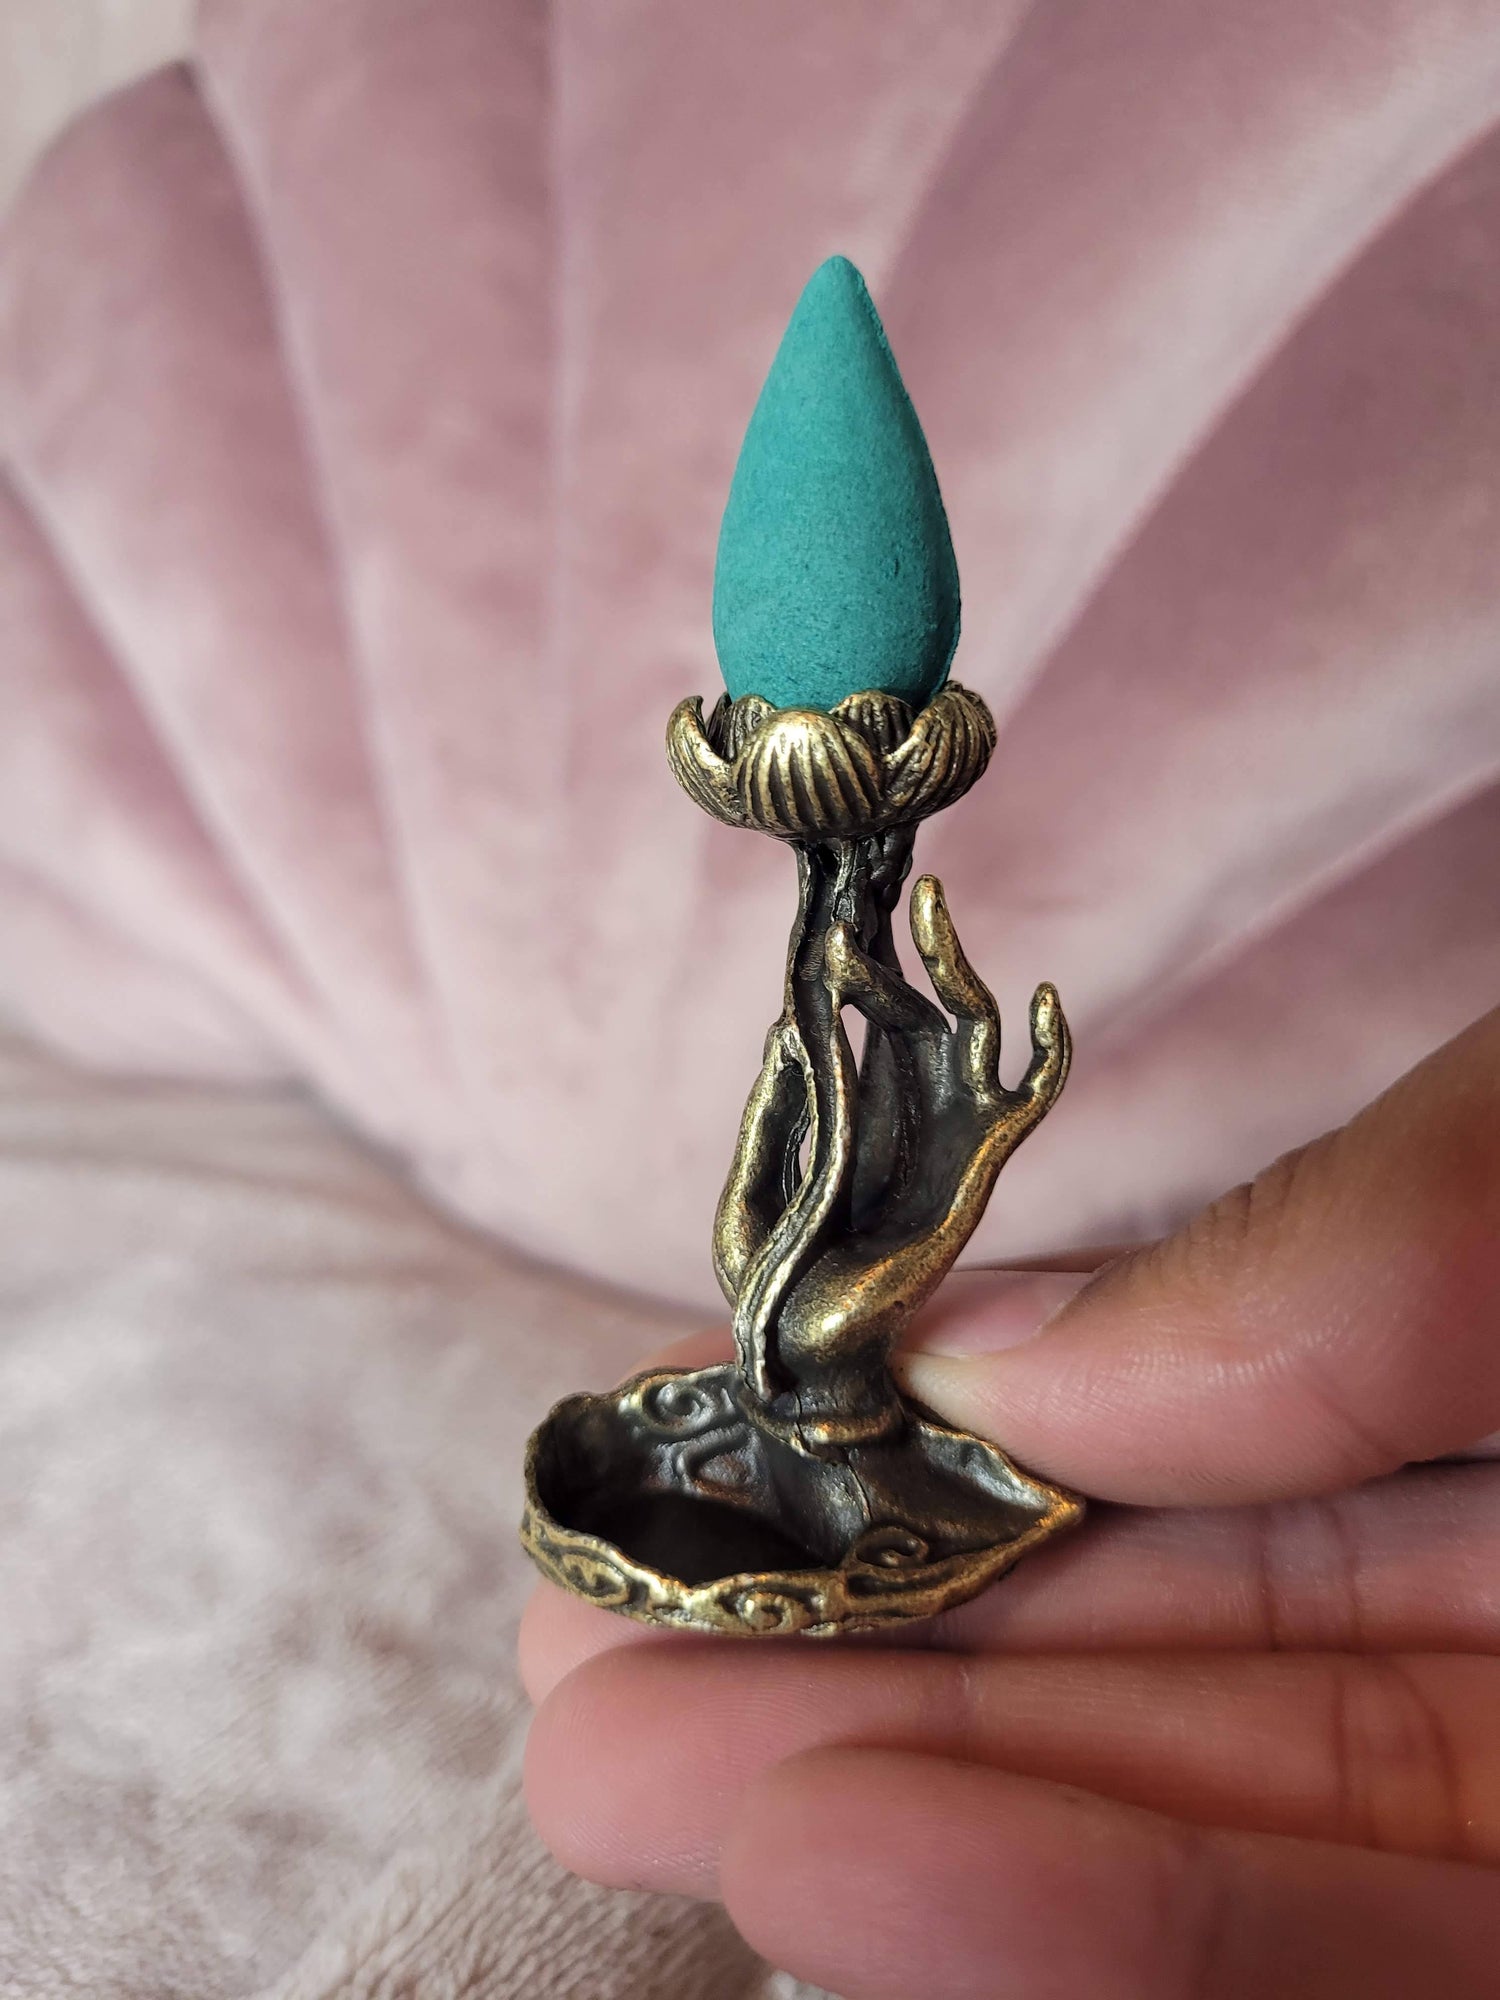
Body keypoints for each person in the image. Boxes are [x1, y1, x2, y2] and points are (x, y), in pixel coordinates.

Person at [523, 1005, 1500, 1998]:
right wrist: (796, 1055)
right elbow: (769, 1190)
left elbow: (881, 1224)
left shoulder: (828, 1334)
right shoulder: (775, 1299)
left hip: (894, 1471)